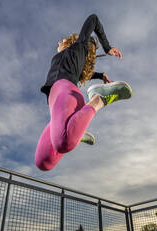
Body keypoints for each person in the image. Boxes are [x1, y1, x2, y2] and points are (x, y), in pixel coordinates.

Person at [35, 14, 132, 171]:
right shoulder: (69, 59)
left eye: (62, 40)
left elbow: (93, 19)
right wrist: (100, 75)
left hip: (65, 93)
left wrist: (107, 48)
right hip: (55, 106)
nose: (59, 42)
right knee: (44, 162)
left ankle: (97, 99)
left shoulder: (79, 46)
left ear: (71, 42)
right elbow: (83, 72)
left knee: (62, 143)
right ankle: (77, 131)